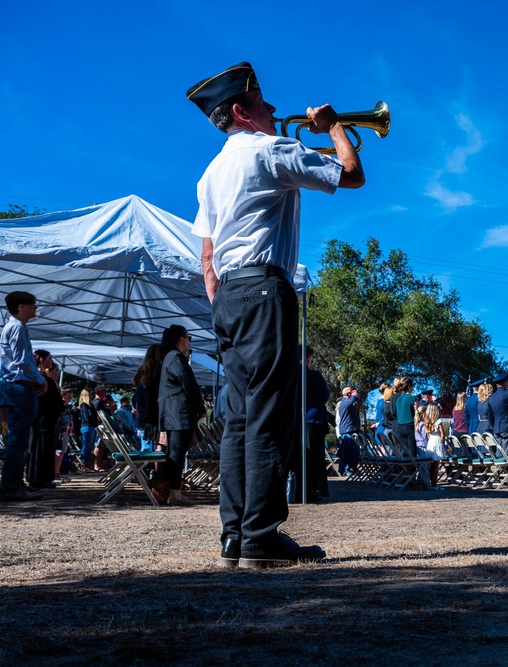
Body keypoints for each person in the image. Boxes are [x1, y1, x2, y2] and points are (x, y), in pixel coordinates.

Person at [189, 60, 363, 567]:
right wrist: (333, 126)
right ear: (242, 111)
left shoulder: (210, 173)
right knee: (269, 417)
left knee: (240, 420)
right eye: (262, 100)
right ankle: (262, 537)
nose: (272, 108)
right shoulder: (271, 148)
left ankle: (236, 535)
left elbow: (206, 259)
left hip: (227, 296)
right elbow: (352, 175)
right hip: (266, 288)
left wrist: (222, 303)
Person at [0, 291, 47, 501]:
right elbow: (21, 361)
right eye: (32, 304)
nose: (36, 307)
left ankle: (15, 483)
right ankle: (11, 487)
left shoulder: (17, 327)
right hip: (19, 387)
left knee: (20, 438)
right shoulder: (16, 327)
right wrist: (40, 379)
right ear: (21, 306)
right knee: (18, 439)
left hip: (19, 386)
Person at [157, 325, 206, 506]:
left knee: (174, 453)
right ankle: (174, 494)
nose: (189, 341)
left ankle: (174, 492)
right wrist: (200, 408)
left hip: (172, 413)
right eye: (188, 337)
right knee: (177, 454)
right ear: (181, 339)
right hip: (178, 413)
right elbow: (189, 384)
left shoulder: (168, 357)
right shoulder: (176, 357)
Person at [28, 352, 63, 489]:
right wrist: (60, 408)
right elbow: (52, 400)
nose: (51, 361)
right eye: (49, 358)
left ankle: (39, 478)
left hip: (43, 419)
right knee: (42, 448)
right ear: (42, 360)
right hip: (44, 419)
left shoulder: (40, 379)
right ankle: (39, 478)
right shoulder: (42, 380)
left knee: (43, 448)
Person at [302, 347, 329, 502]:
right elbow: (325, 395)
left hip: (296, 421)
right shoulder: (314, 375)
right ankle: (314, 489)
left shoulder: (290, 375)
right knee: (315, 456)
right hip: (313, 420)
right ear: (307, 359)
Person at [133, 344, 161, 452]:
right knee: (147, 450)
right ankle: (146, 468)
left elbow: (137, 407)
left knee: (147, 448)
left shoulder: (141, 386)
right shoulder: (147, 385)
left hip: (144, 420)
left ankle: (146, 468)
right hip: (148, 420)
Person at [336, 386, 361, 475]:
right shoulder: (345, 401)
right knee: (349, 450)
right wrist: (354, 394)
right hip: (347, 430)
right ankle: (347, 469)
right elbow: (353, 399)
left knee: (347, 450)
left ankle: (347, 469)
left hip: (348, 429)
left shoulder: (344, 402)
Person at [423, 403, 447, 489]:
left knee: (431, 465)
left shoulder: (427, 421)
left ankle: (432, 483)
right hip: (437, 441)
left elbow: (428, 434)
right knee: (436, 465)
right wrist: (443, 443)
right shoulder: (438, 421)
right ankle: (434, 484)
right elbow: (443, 434)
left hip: (431, 442)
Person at [394, 377, 418, 455]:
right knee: (412, 451)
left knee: (404, 451)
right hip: (409, 426)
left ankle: (405, 466)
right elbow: (416, 413)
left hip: (399, 426)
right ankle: (412, 466)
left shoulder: (398, 398)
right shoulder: (412, 398)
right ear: (409, 387)